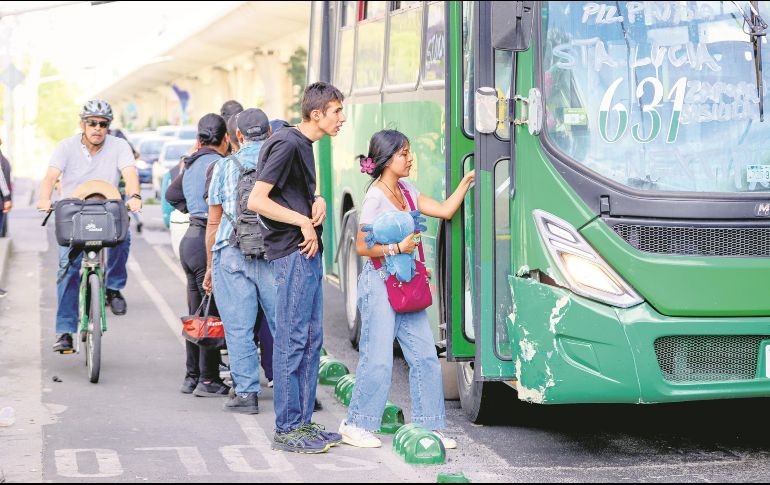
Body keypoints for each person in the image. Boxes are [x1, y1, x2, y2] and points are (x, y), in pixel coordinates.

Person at [337, 130, 474, 449]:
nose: (411, 158)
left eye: (410, 152)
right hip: (379, 282)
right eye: (404, 154)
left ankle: (430, 426)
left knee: (426, 357)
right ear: (386, 160)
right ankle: (356, 423)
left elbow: (444, 211)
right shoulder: (375, 197)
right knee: (378, 358)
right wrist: (397, 247)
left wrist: (467, 181)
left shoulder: (408, 191)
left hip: (406, 284)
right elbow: (361, 246)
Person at [248, 82, 345, 454]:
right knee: (292, 340)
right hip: (291, 253)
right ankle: (287, 428)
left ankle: (302, 423)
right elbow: (258, 199)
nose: (342, 118)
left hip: (305, 253)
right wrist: (303, 223)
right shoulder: (288, 143)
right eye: (336, 111)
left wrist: (315, 200)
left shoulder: (303, 144)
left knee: (310, 340)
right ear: (316, 114)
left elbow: (289, 190)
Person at [37, 99, 141, 353]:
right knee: (67, 269)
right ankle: (65, 331)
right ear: (82, 124)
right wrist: (44, 198)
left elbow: (129, 174)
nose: (97, 128)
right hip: (73, 214)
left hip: (107, 210)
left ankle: (113, 288)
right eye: (92, 123)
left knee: (123, 238)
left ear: (108, 127)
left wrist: (135, 196)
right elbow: (51, 177)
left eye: (103, 124)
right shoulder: (66, 147)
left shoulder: (119, 146)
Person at [203, 108, 277, 414]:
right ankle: (297, 390)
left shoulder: (223, 167)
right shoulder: (280, 160)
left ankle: (246, 394)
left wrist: (209, 266)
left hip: (231, 251)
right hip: (275, 252)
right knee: (283, 325)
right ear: (270, 133)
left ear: (238, 137)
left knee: (238, 327)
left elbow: (213, 222)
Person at [166, 114, 230, 397]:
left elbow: (171, 194)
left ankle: (191, 377)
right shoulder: (219, 163)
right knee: (212, 312)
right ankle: (208, 379)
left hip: (189, 239)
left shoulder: (189, 163)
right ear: (225, 139)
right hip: (208, 239)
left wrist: (191, 209)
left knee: (196, 312)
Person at [0, 137, 13, 237]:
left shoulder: (3, 162)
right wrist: (7, 199)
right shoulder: (4, 161)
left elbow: (2, 181)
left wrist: (7, 199)